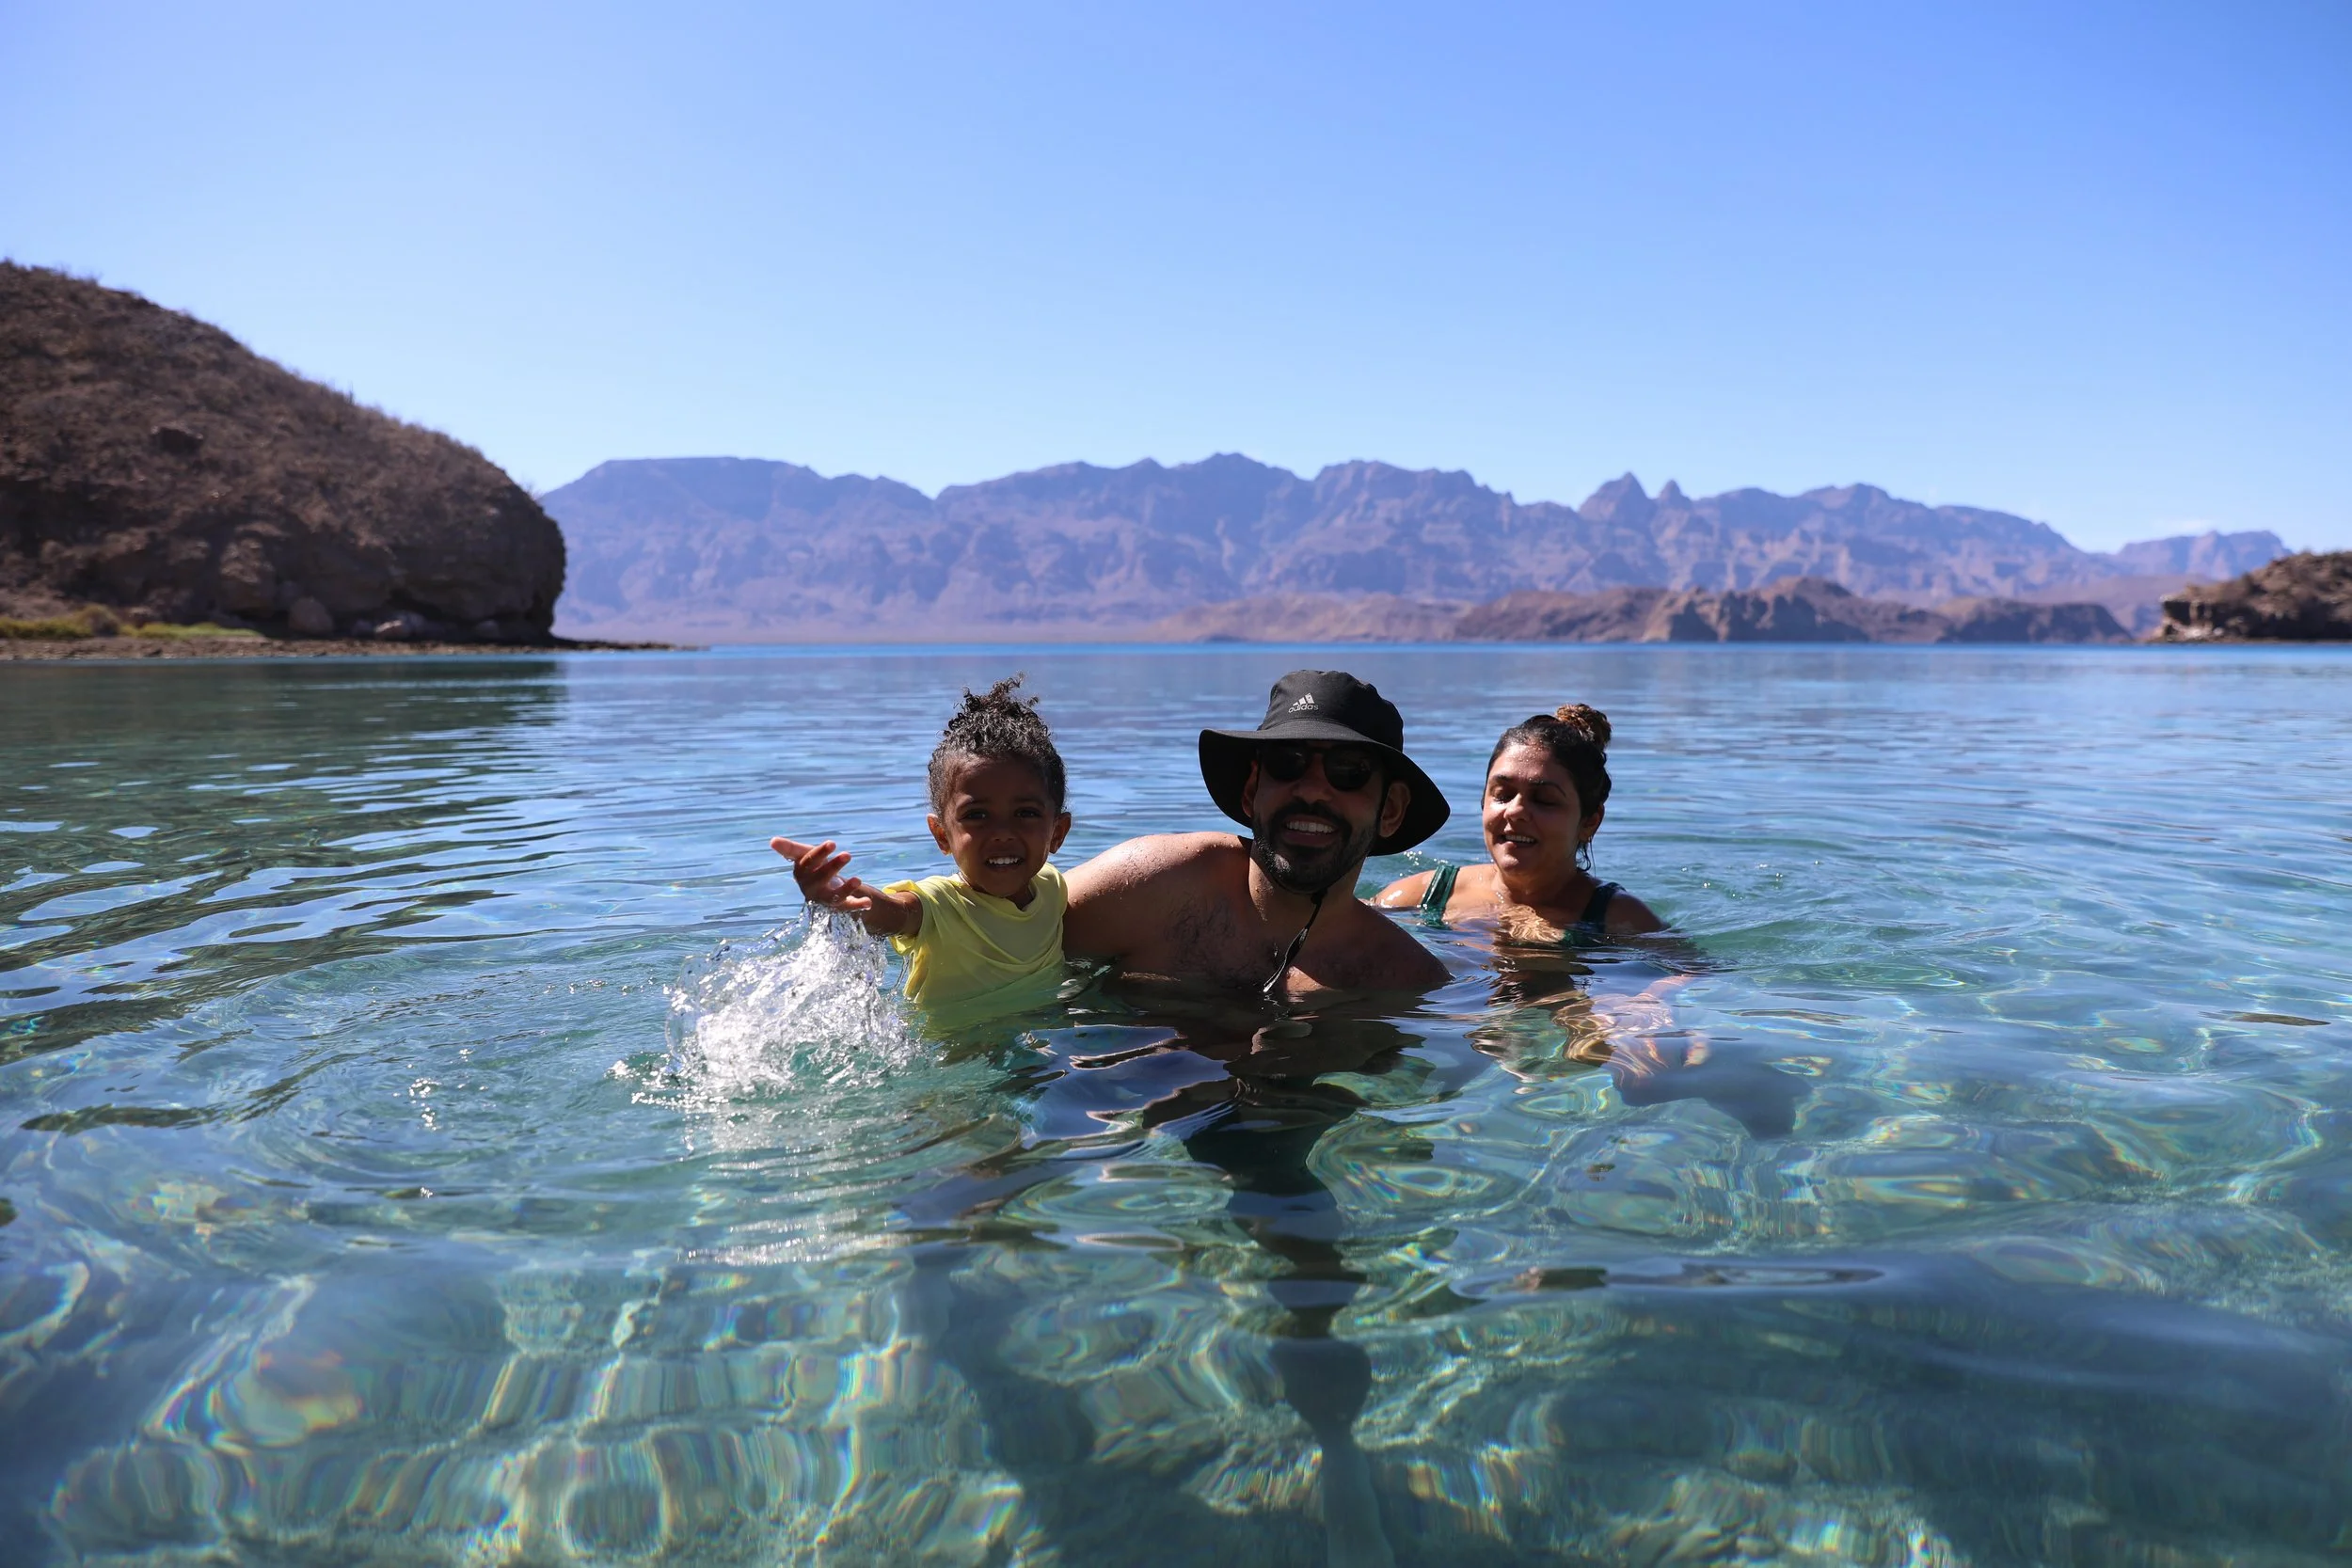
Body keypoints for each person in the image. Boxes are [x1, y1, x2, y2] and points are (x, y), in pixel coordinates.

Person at [1062, 669, 1451, 999]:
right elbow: (1009, 932)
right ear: (1252, 790)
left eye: (1348, 770)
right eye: (1287, 763)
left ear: (1392, 810)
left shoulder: (1405, 980)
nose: (1311, 790)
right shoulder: (1148, 888)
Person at [770, 676, 1071, 1015]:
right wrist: (840, 894)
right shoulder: (940, 905)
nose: (1002, 832)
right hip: (957, 1054)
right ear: (942, 835)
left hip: (1041, 1040)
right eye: (977, 815)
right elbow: (894, 911)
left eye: (1025, 813)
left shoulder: (1052, 887)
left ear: (1057, 832)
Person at [1374, 702, 1663, 941]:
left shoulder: (1620, 920)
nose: (1515, 811)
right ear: (1483, 802)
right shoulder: (1422, 897)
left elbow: (1688, 975)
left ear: (1590, 822)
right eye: (1502, 795)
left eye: (1544, 800)